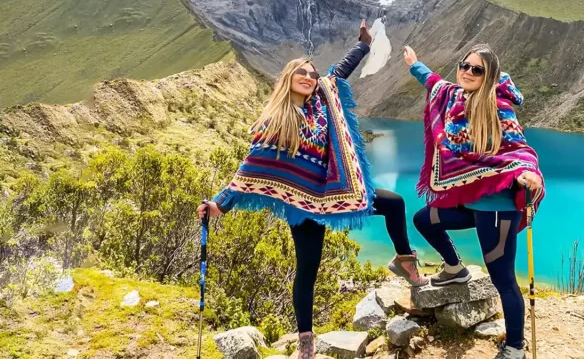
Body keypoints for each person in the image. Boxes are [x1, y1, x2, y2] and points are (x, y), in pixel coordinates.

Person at [197, 21, 426, 359]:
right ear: (288, 79)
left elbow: (339, 72)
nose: (308, 77)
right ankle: (306, 340)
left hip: (335, 192)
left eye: (311, 73)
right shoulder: (277, 120)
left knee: (393, 204)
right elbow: (251, 168)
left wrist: (362, 45)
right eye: (300, 73)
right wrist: (220, 204)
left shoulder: (323, 100)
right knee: (308, 271)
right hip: (301, 203)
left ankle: (404, 260)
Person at [404, 43, 545, 359]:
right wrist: (415, 64)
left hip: (497, 209)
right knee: (424, 219)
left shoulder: (497, 106)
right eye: (464, 65)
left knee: (503, 279)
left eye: (476, 69)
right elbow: (435, 84)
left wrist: (526, 172)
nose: (467, 72)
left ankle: (515, 348)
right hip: (471, 201)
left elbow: (519, 148)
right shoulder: (456, 97)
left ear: (489, 75)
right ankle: (455, 268)